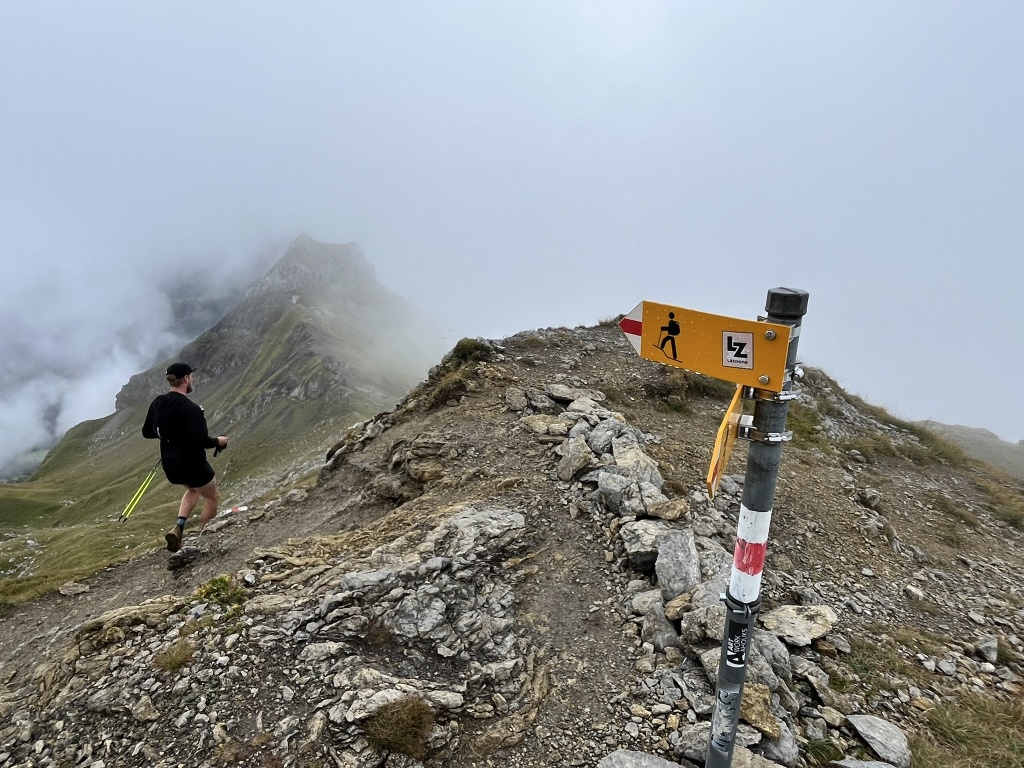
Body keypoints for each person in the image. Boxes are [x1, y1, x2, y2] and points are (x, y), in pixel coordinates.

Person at [142, 363, 228, 552]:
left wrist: (171, 436)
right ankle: (205, 537)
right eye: (191, 376)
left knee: (193, 490)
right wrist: (219, 441)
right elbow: (202, 440)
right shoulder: (192, 409)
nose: (192, 379)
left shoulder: (158, 402)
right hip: (193, 465)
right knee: (212, 497)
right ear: (186, 379)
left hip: (171, 465)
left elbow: (147, 432)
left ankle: (178, 529)